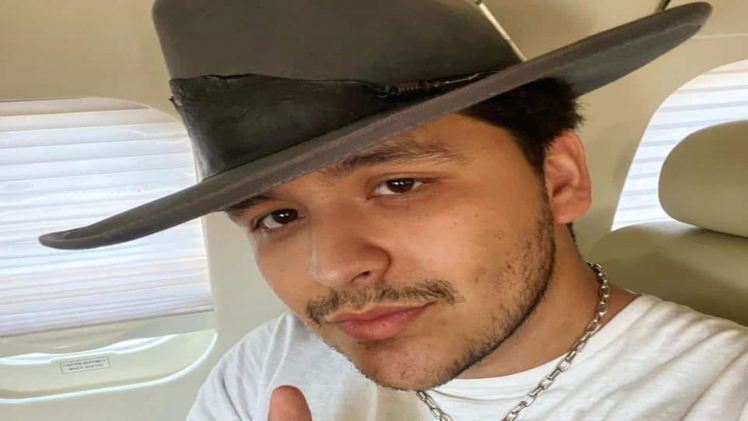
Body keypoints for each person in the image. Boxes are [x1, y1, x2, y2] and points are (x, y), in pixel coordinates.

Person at [38, 1, 746, 420]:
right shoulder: (268, 365)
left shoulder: (721, 394)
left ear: (559, 178)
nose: (333, 267)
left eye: (399, 184)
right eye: (277, 217)